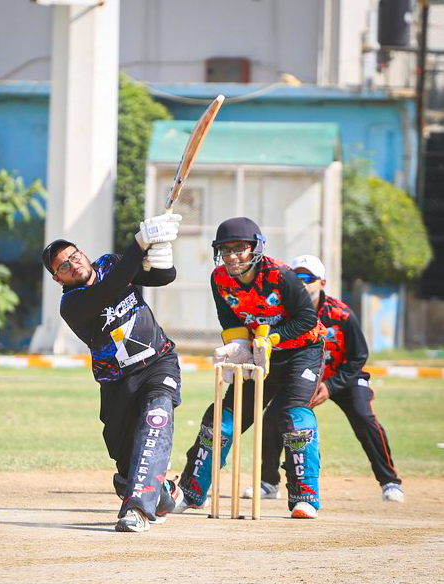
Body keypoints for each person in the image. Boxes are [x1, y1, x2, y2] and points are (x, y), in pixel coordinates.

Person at [173, 217, 327, 519]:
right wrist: (238, 346)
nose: (232, 257)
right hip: (259, 352)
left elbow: (307, 319)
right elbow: (230, 318)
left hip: (301, 351)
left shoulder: (281, 276)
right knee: (221, 420)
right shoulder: (219, 279)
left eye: (239, 249)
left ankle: (305, 498)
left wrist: (271, 338)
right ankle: (191, 492)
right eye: (225, 250)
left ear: (255, 248)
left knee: (295, 417)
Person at [42, 212, 185, 532]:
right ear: (58, 279)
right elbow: (110, 289)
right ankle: (159, 493)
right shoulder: (72, 304)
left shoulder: (111, 263)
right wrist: (140, 241)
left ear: (83, 253)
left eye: (74, 256)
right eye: (63, 266)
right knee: (126, 462)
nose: (72, 264)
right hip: (117, 382)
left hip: (157, 362)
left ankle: (137, 510)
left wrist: (161, 250)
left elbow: (163, 277)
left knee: (156, 418)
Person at [242, 254, 404, 503]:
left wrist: (330, 386)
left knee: (363, 417)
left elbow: (359, 356)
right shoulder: (281, 312)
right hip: (301, 377)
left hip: (341, 377)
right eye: (296, 277)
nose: (302, 283)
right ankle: (269, 482)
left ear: (322, 283)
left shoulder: (341, 314)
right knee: (273, 418)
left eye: (308, 278)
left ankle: (390, 482)